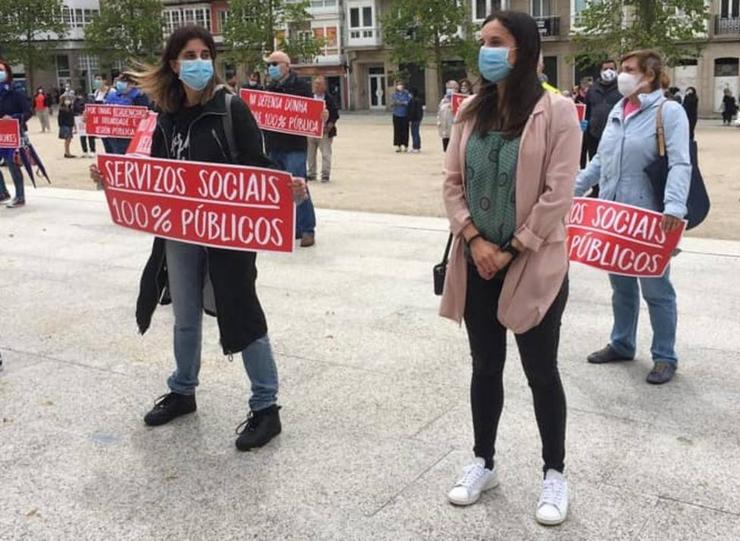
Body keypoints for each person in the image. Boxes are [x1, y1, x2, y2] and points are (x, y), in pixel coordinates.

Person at [89, 25, 307, 450]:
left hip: (228, 235)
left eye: (204, 53)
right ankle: (183, 389)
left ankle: (266, 407)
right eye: (189, 54)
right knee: (185, 315)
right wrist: (112, 180)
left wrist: (286, 191)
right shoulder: (165, 115)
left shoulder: (230, 108)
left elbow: (256, 167)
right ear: (174, 63)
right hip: (180, 233)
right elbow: (153, 176)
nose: (198, 62)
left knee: (241, 309)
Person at [440, 11, 580, 526]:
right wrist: (475, 238)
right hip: (476, 261)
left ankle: (555, 472)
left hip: (534, 264)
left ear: (522, 48)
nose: (485, 51)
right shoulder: (470, 111)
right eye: (482, 42)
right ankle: (483, 461)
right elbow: (452, 182)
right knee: (485, 367)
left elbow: (558, 192)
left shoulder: (558, 111)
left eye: (495, 42)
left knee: (542, 371)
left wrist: (513, 247)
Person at [575, 49, 691, 385]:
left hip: (650, 217)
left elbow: (681, 162)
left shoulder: (669, 112)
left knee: (657, 290)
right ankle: (622, 343)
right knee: (621, 286)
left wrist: (673, 207)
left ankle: (664, 356)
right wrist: (574, 189)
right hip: (614, 215)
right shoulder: (618, 109)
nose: (620, 74)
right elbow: (600, 160)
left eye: (628, 69)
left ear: (650, 75)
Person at [264, 50, 317, 247]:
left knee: (299, 187)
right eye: (269, 64)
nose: (271, 68)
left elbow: (310, 113)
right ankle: (292, 227)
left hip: (294, 145)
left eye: (274, 64)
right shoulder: (268, 88)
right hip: (273, 145)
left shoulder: (301, 87)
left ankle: (307, 229)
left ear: (286, 66)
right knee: (281, 189)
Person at [583, 60, 622, 196]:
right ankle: (596, 190)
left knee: (613, 164)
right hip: (595, 134)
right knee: (595, 163)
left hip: (614, 135)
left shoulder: (622, 88)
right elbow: (587, 110)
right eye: (605, 68)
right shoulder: (593, 89)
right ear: (600, 71)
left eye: (611, 68)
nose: (608, 71)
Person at [0, 60, 31, 208]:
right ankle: (2, 192)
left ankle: (20, 196)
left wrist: (13, 118)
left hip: (13, 133)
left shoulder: (16, 91)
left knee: (13, 163)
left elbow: (28, 112)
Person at [104, 73, 150, 153]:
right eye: (120, 80)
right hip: (112, 136)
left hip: (130, 137)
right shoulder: (111, 95)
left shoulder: (139, 96)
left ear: (132, 84)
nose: (120, 83)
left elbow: (146, 116)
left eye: (124, 81)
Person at [307, 76, 339, 182]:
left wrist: (329, 126)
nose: (316, 86)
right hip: (311, 131)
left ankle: (325, 174)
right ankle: (311, 173)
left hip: (324, 132)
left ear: (324, 86)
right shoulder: (309, 97)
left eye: (319, 84)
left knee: (325, 154)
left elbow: (335, 115)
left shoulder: (329, 99)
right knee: (310, 154)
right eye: (315, 83)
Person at [437, 80, 459, 152]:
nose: (450, 89)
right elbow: (439, 113)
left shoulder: (459, 100)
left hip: (454, 129)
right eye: (449, 87)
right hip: (444, 130)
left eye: (453, 87)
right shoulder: (443, 101)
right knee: (446, 150)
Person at [73, 89, 96, 158]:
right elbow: (74, 110)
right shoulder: (76, 101)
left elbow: (93, 108)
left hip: (89, 118)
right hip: (79, 119)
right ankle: (85, 151)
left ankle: (92, 150)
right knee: (82, 136)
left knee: (90, 136)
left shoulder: (90, 99)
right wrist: (78, 115)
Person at [391, 80, 411, 152]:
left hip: (404, 115)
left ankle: (405, 145)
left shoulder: (407, 94)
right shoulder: (394, 94)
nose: (399, 86)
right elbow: (392, 103)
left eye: (401, 85)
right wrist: (397, 103)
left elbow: (408, 102)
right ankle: (398, 146)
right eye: (398, 85)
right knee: (397, 131)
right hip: (396, 114)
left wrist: (401, 103)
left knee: (405, 131)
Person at [58, 94, 76, 158]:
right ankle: (67, 152)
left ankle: (68, 152)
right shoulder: (62, 108)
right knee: (67, 139)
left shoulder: (70, 107)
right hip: (65, 125)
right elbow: (60, 118)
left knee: (69, 139)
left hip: (69, 124)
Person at [407, 87, 424, 153]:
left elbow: (412, 110)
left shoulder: (413, 100)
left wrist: (409, 118)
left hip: (414, 118)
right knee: (416, 132)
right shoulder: (419, 100)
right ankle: (417, 146)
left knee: (414, 133)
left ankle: (415, 147)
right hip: (418, 118)